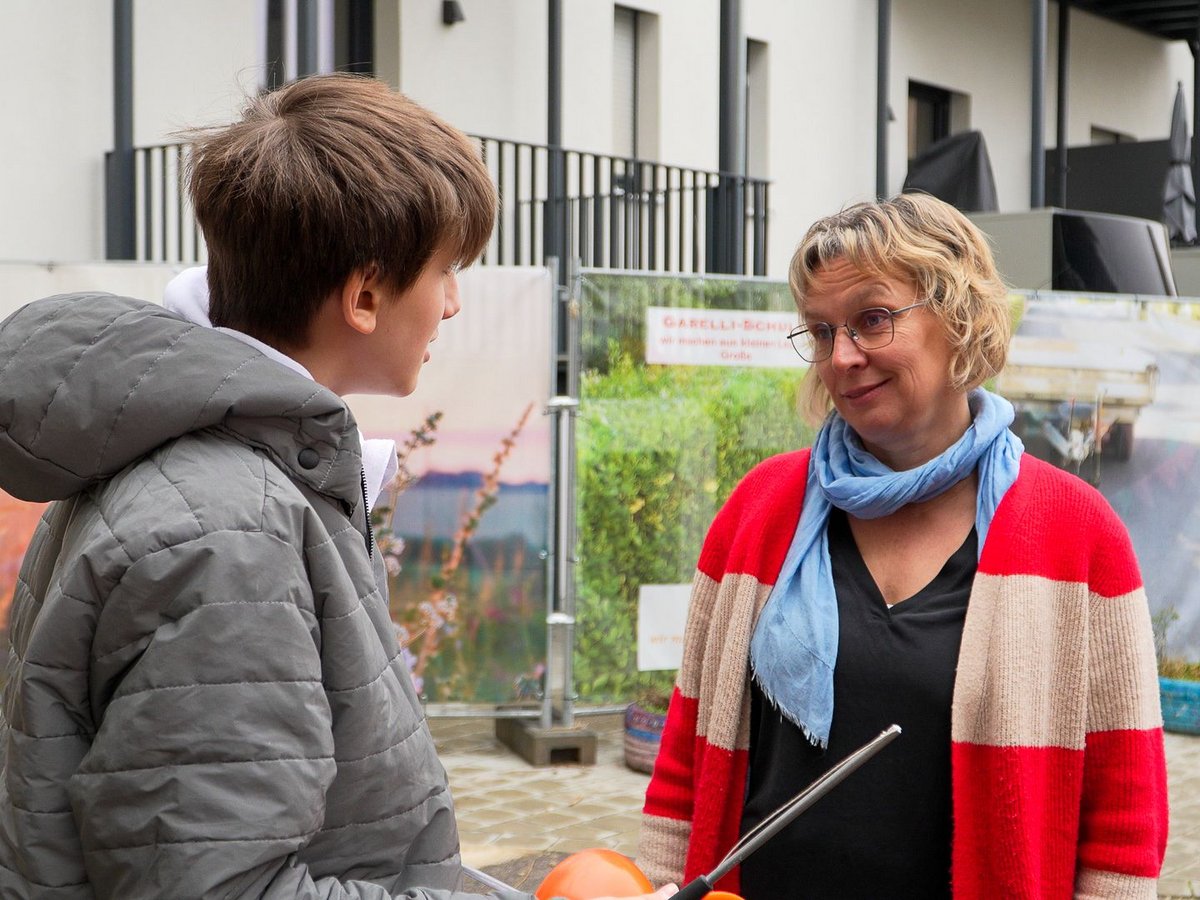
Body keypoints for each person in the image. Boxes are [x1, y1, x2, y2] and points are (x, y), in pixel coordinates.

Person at [0, 74, 674, 900]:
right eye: (446, 272)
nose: (456, 304)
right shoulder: (230, 531)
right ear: (363, 296)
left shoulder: (207, 464)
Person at [638, 193, 1168, 899]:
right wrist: (656, 882)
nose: (843, 356)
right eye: (822, 332)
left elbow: (1125, 812)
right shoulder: (761, 510)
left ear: (958, 316)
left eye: (872, 320)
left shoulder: (1076, 533)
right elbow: (687, 750)